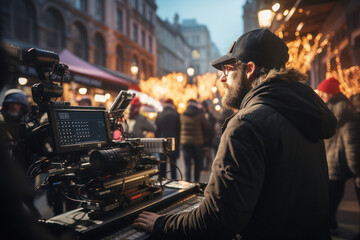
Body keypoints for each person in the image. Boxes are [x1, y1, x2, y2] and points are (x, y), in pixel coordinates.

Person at [132, 28, 337, 239]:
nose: (222, 78)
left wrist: (162, 223)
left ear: (249, 69)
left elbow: (217, 220)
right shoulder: (298, 111)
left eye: (227, 70)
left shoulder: (246, 124)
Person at [317, 77, 360, 235]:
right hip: (332, 164)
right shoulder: (331, 107)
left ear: (329, 93)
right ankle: (329, 227)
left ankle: (327, 229)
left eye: (322, 92)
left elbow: (352, 143)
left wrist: (357, 170)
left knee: (329, 202)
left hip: (336, 165)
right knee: (330, 202)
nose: (320, 95)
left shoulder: (342, 110)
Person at [179, 99, 210, 182]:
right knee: (197, 164)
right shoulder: (200, 115)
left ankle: (188, 183)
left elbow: (179, 129)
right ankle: (196, 183)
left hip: (185, 143)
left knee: (187, 165)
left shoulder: (182, 115)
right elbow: (207, 128)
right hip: (197, 143)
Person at [155, 98, 181, 179]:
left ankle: (163, 183)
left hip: (162, 143)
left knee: (162, 165)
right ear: (172, 104)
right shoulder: (176, 114)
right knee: (173, 166)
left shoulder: (159, 115)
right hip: (173, 142)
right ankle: (174, 183)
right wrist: (178, 144)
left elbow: (157, 131)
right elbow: (178, 130)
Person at [201, 100, 216, 170]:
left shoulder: (209, 115)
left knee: (208, 152)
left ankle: (207, 166)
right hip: (202, 136)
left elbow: (211, 126)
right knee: (203, 153)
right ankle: (204, 166)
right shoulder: (201, 115)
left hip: (208, 137)